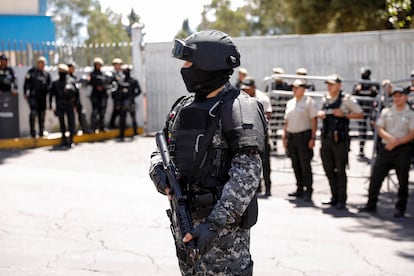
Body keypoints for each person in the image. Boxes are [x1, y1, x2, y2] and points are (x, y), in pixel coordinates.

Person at [149, 30, 266, 275]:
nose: (184, 68)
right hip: (185, 227)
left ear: (207, 64)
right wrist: (159, 173)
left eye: (188, 62)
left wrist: (212, 226)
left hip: (223, 239)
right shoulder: (183, 107)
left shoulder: (239, 108)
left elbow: (246, 176)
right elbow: (161, 150)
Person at [359, 87, 414, 218]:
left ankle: (400, 208)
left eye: (400, 96)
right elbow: (379, 128)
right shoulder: (386, 111)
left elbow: (412, 133)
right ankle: (370, 204)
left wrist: (396, 142)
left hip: (403, 149)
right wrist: (391, 140)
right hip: (387, 148)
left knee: (403, 181)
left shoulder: (411, 114)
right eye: (395, 96)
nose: (397, 98)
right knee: (376, 176)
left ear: (406, 97)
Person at [318, 74, 363, 210]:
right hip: (326, 138)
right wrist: (320, 114)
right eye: (328, 84)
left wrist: (344, 115)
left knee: (340, 170)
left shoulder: (346, 99)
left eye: (332, 84)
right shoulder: (325, 98)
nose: (329, 86)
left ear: (339, 85)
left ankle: (342, 199)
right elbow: (321, 111)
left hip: (340, 140)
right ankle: (334, 196)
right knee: (328, 168)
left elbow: (360, 114)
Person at [283, 79, 318, 202]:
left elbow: (314, 120)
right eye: (293, 87)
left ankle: (308, 191)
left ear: (303, 89)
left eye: (297, 87)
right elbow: (287, 122)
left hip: (304, 136)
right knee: (295, 165)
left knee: (305, 166)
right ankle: (299, 189)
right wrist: (285, 136)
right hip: (292, 136)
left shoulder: (309, 102)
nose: (294, 89)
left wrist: (313, 138)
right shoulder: (290, 102)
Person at [241, 76, 272, 197]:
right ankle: (257, 187)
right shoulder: (242, 98)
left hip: (261, 134)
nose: (246, 91)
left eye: (248, 89)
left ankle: (268, 187)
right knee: (253, 161)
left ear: (254, 87)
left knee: (265, 163)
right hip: (248, 134)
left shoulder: (262, 98)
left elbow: (268, 115)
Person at [352, 67, 380, 158]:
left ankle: (378, 151)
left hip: (371, 110)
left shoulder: (373, 83)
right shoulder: (358, 83)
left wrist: (374, 90)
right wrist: (357, 90)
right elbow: (353, 96)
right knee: (362, 130)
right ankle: (361, 151)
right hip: (361, 110)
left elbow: (379, 93)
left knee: (374, 130)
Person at [49, 64, 78, 147]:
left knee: (71, 123)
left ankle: (71, 140)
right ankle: (64, 140)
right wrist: (51, 105)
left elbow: (76, 94)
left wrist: (76, 104)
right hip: (60, 104)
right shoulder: (55, 82)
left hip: (69, 104)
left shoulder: (71, 81)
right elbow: (52, 94)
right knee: (62, 123)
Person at [24, 56, 51, 137]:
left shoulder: (46, 74)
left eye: (43, 63)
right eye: (40, 63)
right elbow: (26, 83)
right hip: (33, 97)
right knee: (33, 114)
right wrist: (25, 93)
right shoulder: (31, 72)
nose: (42, 65)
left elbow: (50, 85)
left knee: (42, 115)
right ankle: (32, 132)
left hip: (42, 98)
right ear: (37, 63)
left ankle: (41, 132)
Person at [88, 57, 109, 133]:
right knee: (95, 112)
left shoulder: (103, 74)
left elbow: (107, 82)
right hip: (95, 95)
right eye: (96, 64)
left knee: (102, 112)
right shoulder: (92, 74)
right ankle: (93, 128)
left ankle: (101, 127)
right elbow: (89, 82)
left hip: (103, 95)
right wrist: (96, 86)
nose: (98, 66)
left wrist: (103, 87)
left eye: (99, 64)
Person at [68, 63, 90, 134]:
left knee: (82, 113)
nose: (72, 69)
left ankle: (85, 129)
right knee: (71, 117)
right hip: (70, 100)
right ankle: (73, 130)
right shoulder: (66, 78)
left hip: (77, 100)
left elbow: (79, 83)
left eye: (73, 68)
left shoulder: (74, 77)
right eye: (70, 68)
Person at [122, 65, 141, 137]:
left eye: (127, 71)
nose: (125, 72)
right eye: (124, 71)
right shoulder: (122, 80)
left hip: (131, 102)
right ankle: (122, 134)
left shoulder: (133, 80)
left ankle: (135, 133)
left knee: (133, 118)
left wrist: (132, 96)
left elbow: (139, 91)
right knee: (122, 118)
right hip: (123, 102)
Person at [109, 58, 124, 129]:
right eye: (117, 65)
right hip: (115, 95)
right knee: (116, 109)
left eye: (119, 65)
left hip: (121, 95)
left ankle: (119, 125)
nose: (118, 66)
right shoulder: (112, 74)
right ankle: (111, 124)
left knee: (121, 110)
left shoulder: (122, 73)